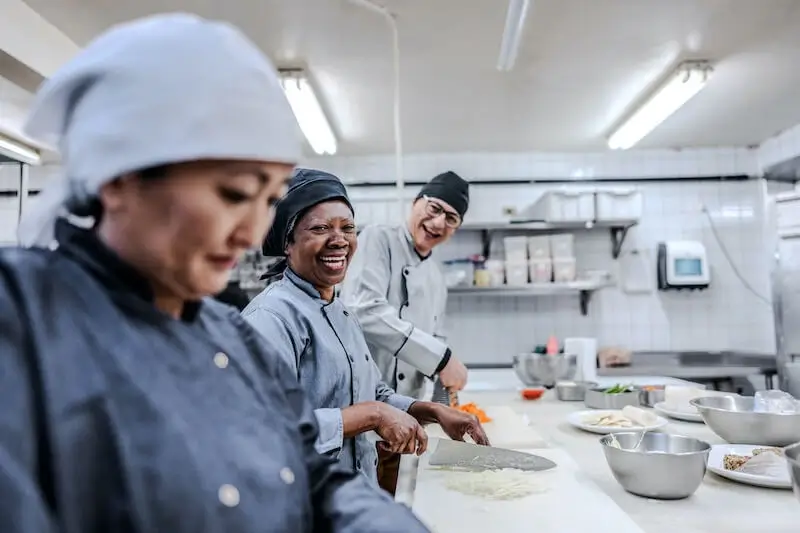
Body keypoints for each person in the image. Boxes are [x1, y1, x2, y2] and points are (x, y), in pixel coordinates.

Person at [1, 13, 431, 533]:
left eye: (268, 203)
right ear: (118, 179)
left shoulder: (229, 339)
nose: (251, 234)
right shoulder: (22, 325)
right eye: (233, 195)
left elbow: (307, 473)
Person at [241, 169, 489, 491]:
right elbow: (263, 430)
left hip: (356, 496)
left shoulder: (342, 313)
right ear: (287, 242)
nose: (340, 240)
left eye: (347, 228)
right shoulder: (271, 318)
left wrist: (431, 410)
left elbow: (374, 392)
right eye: (320, 228)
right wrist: (372, 416)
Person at [339, 171, 471, 492]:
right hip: (361, 410)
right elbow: (363, 308)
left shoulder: (436, 277)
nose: (439, 223)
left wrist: (444, 397)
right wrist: (442, 360)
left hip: (404, 419)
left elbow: (436, 336)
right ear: (415, 203)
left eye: (451, 218)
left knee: (394, 500)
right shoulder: (377, 239)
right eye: (434, 208)